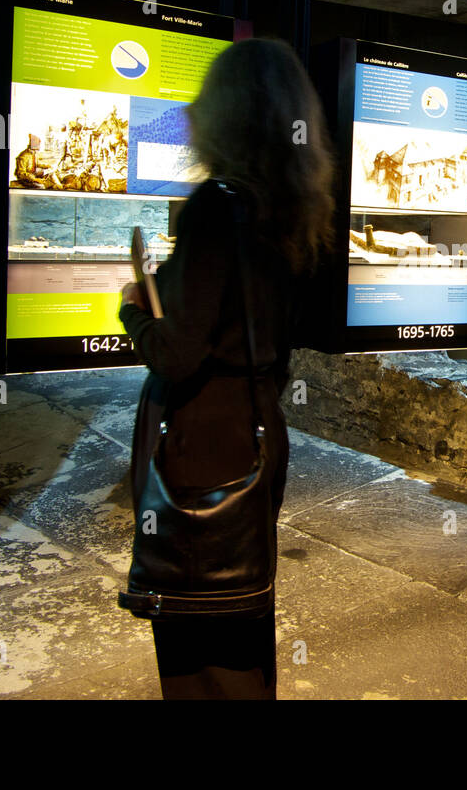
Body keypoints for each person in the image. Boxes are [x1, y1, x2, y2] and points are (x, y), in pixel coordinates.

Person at [117, 38, 335, 699]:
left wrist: (135, 310)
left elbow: (177, 354)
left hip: (203, 445)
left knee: (196, 639)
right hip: (257, 434)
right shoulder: (293, 210)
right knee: (239, 623)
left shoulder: (216, 205)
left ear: (225, 115)